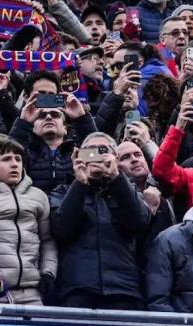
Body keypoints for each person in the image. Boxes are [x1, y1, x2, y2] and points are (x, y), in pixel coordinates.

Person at [50, 132, 149, 309]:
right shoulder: (63, 191)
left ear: (115, 157)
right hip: (77, 289)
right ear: (80, 157)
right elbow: (61, 229)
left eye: (102, 151)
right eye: (89, 152)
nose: (96, 156)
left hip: (124, 289)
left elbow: (139, 223)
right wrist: (80, 183)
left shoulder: (126, 189)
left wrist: (116, 178)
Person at [0, 138, 58, 305]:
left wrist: (48, 274)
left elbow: (48, 241)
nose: (14, 164)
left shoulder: (39, 196)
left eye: (18, 159)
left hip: (33, 293)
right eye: (6, 159)